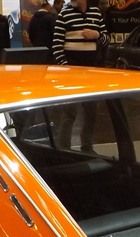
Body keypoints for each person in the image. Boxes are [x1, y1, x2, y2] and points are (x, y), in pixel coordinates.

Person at [52, 0, 107, 152]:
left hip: (91, 73)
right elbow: (56, 46)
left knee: (91, 111)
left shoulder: (95, 13)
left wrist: (97, 34)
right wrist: (66, 68)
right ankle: (64, 149)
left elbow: (106, 40)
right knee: (69, 111)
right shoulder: (64, 15)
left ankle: (87, 147)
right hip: (71, 74)